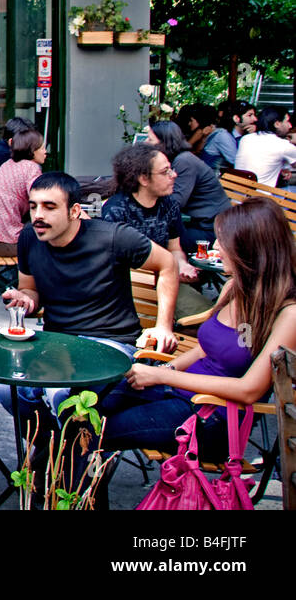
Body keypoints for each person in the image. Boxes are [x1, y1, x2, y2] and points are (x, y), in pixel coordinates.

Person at [94, 196, 296, 502]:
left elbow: (249, 390)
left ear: (249, 250)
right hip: (180, 393)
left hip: (213, 416)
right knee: (87, 406)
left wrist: (163, 378)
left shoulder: (288, 314)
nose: (215, 248)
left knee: (93, 433)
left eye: (223, 242)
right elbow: (204, 348)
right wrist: (165, 369)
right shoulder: (235, 287)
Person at [0, 172, 180, 420]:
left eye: (49, 207)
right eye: (33, 207)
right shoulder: (30, 238)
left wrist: (163, 326)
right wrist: (26, 299)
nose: (38, 215)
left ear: (74, 211)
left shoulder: (113, 237)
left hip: (110, 342)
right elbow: (30, 288)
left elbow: (168, 263)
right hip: (57, 342)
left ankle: (65, 454)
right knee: (7, 389)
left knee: (65, 393)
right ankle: (52, 451)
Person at [102, 143, 212, 318]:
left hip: (165, 279)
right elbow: (112, 264)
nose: (174, 175)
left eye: (171, 169)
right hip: (130, 288)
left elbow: (174, 248)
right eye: (165, 172)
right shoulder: (117, 210)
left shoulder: (169, 204)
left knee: (209, 319)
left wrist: (182, 265)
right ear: (143, 179)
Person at [148, 120, 231, 251]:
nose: (146, 143)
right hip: (201, 224)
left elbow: (176, 202)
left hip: (212, 231)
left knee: (156, 239)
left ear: (164, 143)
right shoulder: (178, 159)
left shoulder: (184, 161)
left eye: (150, 139)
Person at [0, 129, 47, 257]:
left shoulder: (9, 164)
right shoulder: (31, 168)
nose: (46, 152)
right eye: (42, 148)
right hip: (1, 243)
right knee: (50, 237)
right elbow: (42, 201)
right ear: (32, 150)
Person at [234, 105, 296, 187]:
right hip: (262, 197)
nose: (290, 126)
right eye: (287, 121)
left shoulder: (245, 139)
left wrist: (282, 168)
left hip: (238, 196)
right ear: (277, 124)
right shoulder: (283, 145)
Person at [200, 100, 256, 169]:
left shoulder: (243, 135)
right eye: (250, 115)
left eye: (254, 115)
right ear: (236, 119)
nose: (255, 119)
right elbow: (239, 164)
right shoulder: (223, 135)